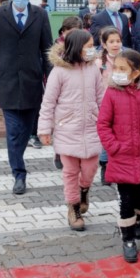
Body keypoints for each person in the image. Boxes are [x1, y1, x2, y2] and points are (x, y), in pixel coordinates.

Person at [0, 0, 53, 195]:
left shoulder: (40, 15)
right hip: (7, 83)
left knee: (27, 130)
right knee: (13, 131)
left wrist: (53, 79)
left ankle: (18, 162)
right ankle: (19, 173)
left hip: (32, 83)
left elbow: (46, 50)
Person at [96, 49, 140, 263]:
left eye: (122, 69)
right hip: (121, 157)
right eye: (115, 68)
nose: (117, 72)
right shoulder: (112, 93)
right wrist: (114, 147)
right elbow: (103, 124)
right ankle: (128, 239)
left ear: (135, 72)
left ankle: (139, 218)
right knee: (126, 201)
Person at [38, 29, 104, 231]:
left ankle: (84, 190)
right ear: (77, 48)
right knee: (70, 171)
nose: (92, 50)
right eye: (89, 46)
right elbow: (48, 102)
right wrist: (44, 129)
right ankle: (73, 207)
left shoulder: (93, 69)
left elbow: (101, 97)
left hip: (92, 128)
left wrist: (107, 122)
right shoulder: (59, 71)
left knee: (90, 168)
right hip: (67, 128)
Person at [95, 25, 124, 184]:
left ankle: (118, 165)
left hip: (124, 103)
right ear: (104, 44)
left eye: (118, 41)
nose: (115, 44)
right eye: (111, 41)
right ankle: (105, 165)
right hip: (105, 104)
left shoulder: (127, 59)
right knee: (107, 136)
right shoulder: (99, 62)